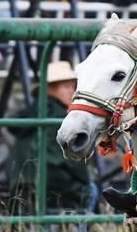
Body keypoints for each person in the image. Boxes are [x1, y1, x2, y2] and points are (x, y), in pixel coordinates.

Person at [6, 61, 92, 210]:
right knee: (92, 193)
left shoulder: (30, 114)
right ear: (50, 89)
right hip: (54, 185)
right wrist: (84, 184)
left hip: (20, 184)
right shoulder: (61, 118)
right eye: (66, 86)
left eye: (73, 86)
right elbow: (67, 161)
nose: (72, 91)